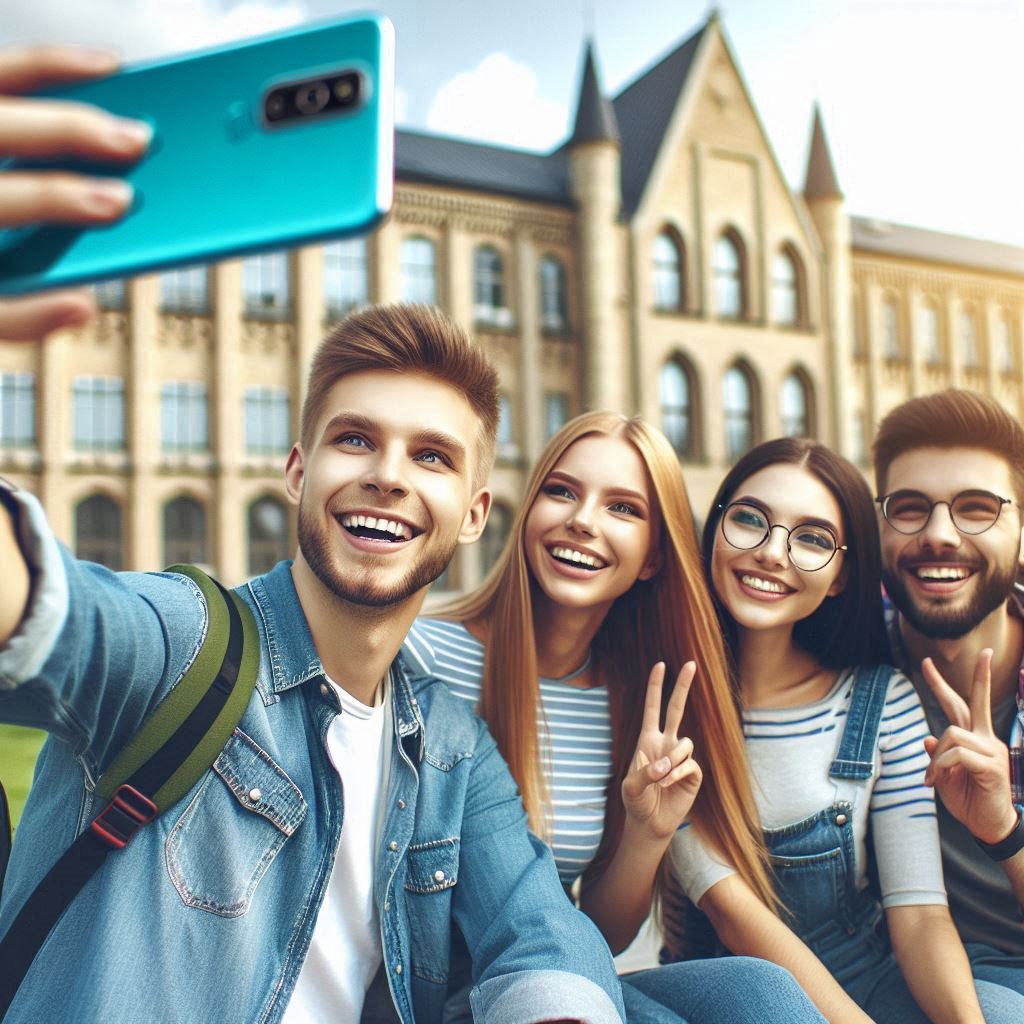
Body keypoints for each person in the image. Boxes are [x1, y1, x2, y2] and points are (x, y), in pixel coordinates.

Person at [0, 48, 627, 1023]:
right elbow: (45, 611)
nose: (386, 472)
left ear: (473, 510)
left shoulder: (449, 745)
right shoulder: (182, 648)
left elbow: (540, 932)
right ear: (298, 471)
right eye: (354, 439)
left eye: (430, 455)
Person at [404, 412, 827, 1024]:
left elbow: (600, 930)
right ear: (527, 512)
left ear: (654, 557)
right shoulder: (426, 657)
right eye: (562, 491)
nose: (583, 520)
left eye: (623, 508)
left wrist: (645, 833)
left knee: (762, 994)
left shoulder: (636, 700)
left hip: (560, 979)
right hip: (435, 993)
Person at [669, 436, 1024, 1023]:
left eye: (811, 538)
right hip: (743, 987)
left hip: (871, 974)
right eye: (750, 520)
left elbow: (920, 913)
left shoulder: (881, 700)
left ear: (840, 576)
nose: (772, 553)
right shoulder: (674, 702)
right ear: (716, 530)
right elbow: (734, 915)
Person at [873, 389, 1024, 984]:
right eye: (909, 507)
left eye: (977, 507)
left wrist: (1003, 832)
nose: (939, 534)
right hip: (921, 984)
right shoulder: (844, 669)